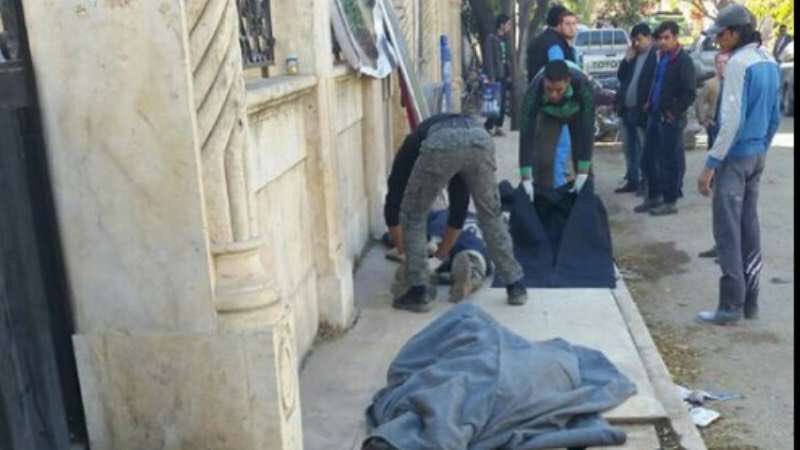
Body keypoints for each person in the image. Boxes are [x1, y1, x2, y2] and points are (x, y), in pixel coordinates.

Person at [695, 4, 781, 325]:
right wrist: (762, 148)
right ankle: (751, 302)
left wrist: (710, 164)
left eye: (720, 35)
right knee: (749, 227)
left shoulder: (738, 64)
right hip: (756, 154)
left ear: (734, 33)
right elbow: (774, 116)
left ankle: (730, 305)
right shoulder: (768, 60)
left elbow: (731, 122)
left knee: (728, 232)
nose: (717, 41)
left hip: (734, 157)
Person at [392, 114, 528, 313]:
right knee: (491, 215)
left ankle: (418, 291)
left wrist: (404, 252)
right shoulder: (428, 136)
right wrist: (440, 254)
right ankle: (515, 285)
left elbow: (394, 195)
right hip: (479, 139)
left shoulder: (411, 146)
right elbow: (459, 206)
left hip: (442, 142)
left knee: (413, 214)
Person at [634, 21, 696, 216]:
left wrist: (674, 111)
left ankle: (670, 201)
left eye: (667, 37)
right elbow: (658, 83)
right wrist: (650, 101)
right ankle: (654, 196)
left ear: (676, 37)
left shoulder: (683, 60)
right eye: (660, 38)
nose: (662, 41)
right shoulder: (662, 57)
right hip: (655, 114)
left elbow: (689, 93)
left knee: (669, 160)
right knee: (647, 159)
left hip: (670, 118)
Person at [519, 60, 594, 198]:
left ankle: (586, 198)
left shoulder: (582, 85)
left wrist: (583, 173)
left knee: (582, 160)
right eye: (549, 89)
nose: (553, 95)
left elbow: (587, 128)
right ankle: (543, 197)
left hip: (577, 113)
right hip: (549, 114)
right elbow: (526, 133)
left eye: (558, 90)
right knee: (543, 160)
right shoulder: (533, 92)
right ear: (544, 81)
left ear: (568, 81)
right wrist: (525, 177)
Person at [525, 4, 579, 188]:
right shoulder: (555, 44)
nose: (572, 28)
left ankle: (544, 192)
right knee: (558, 153)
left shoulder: (538, 41)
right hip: (556, 108)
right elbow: (559, 76)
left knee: (543, 154)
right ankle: (557, 192)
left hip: (539, 105)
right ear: (559, 22)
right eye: (567, 23)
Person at [695, 50, 732, 260]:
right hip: (716, 136)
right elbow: (700, 103)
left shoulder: (737, 86)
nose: (722, 66)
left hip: (732, 150)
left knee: (730, 201)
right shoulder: (713, 84)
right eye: (719, 62)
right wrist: (704, 121)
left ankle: (730, 249)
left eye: (726, 62)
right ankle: (721, 244)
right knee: (719, 199)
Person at [615, 23, 657, 194]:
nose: (637, 44)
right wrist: (627, 59)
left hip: (642, 110)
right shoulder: (634, 55)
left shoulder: (655, 56)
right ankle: (632, 179)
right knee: (629, 148)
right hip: (626, 108)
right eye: (634, 40)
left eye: (639, 39)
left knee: (644, 148)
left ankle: (647, 183)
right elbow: (621, 76)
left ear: (649, 38)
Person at [483, 14, 513, 136]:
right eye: (508, 24)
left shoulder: (504, 39)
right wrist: (491, 76)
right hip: (496, 75)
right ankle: (488, 126)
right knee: (494, 101)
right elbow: (489, 58)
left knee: (502, 102)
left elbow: (506, 59)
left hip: (504, 74)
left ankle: (498, 126)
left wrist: (509, 74)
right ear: (501, 25)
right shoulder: (491, 38)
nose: (509, 27)